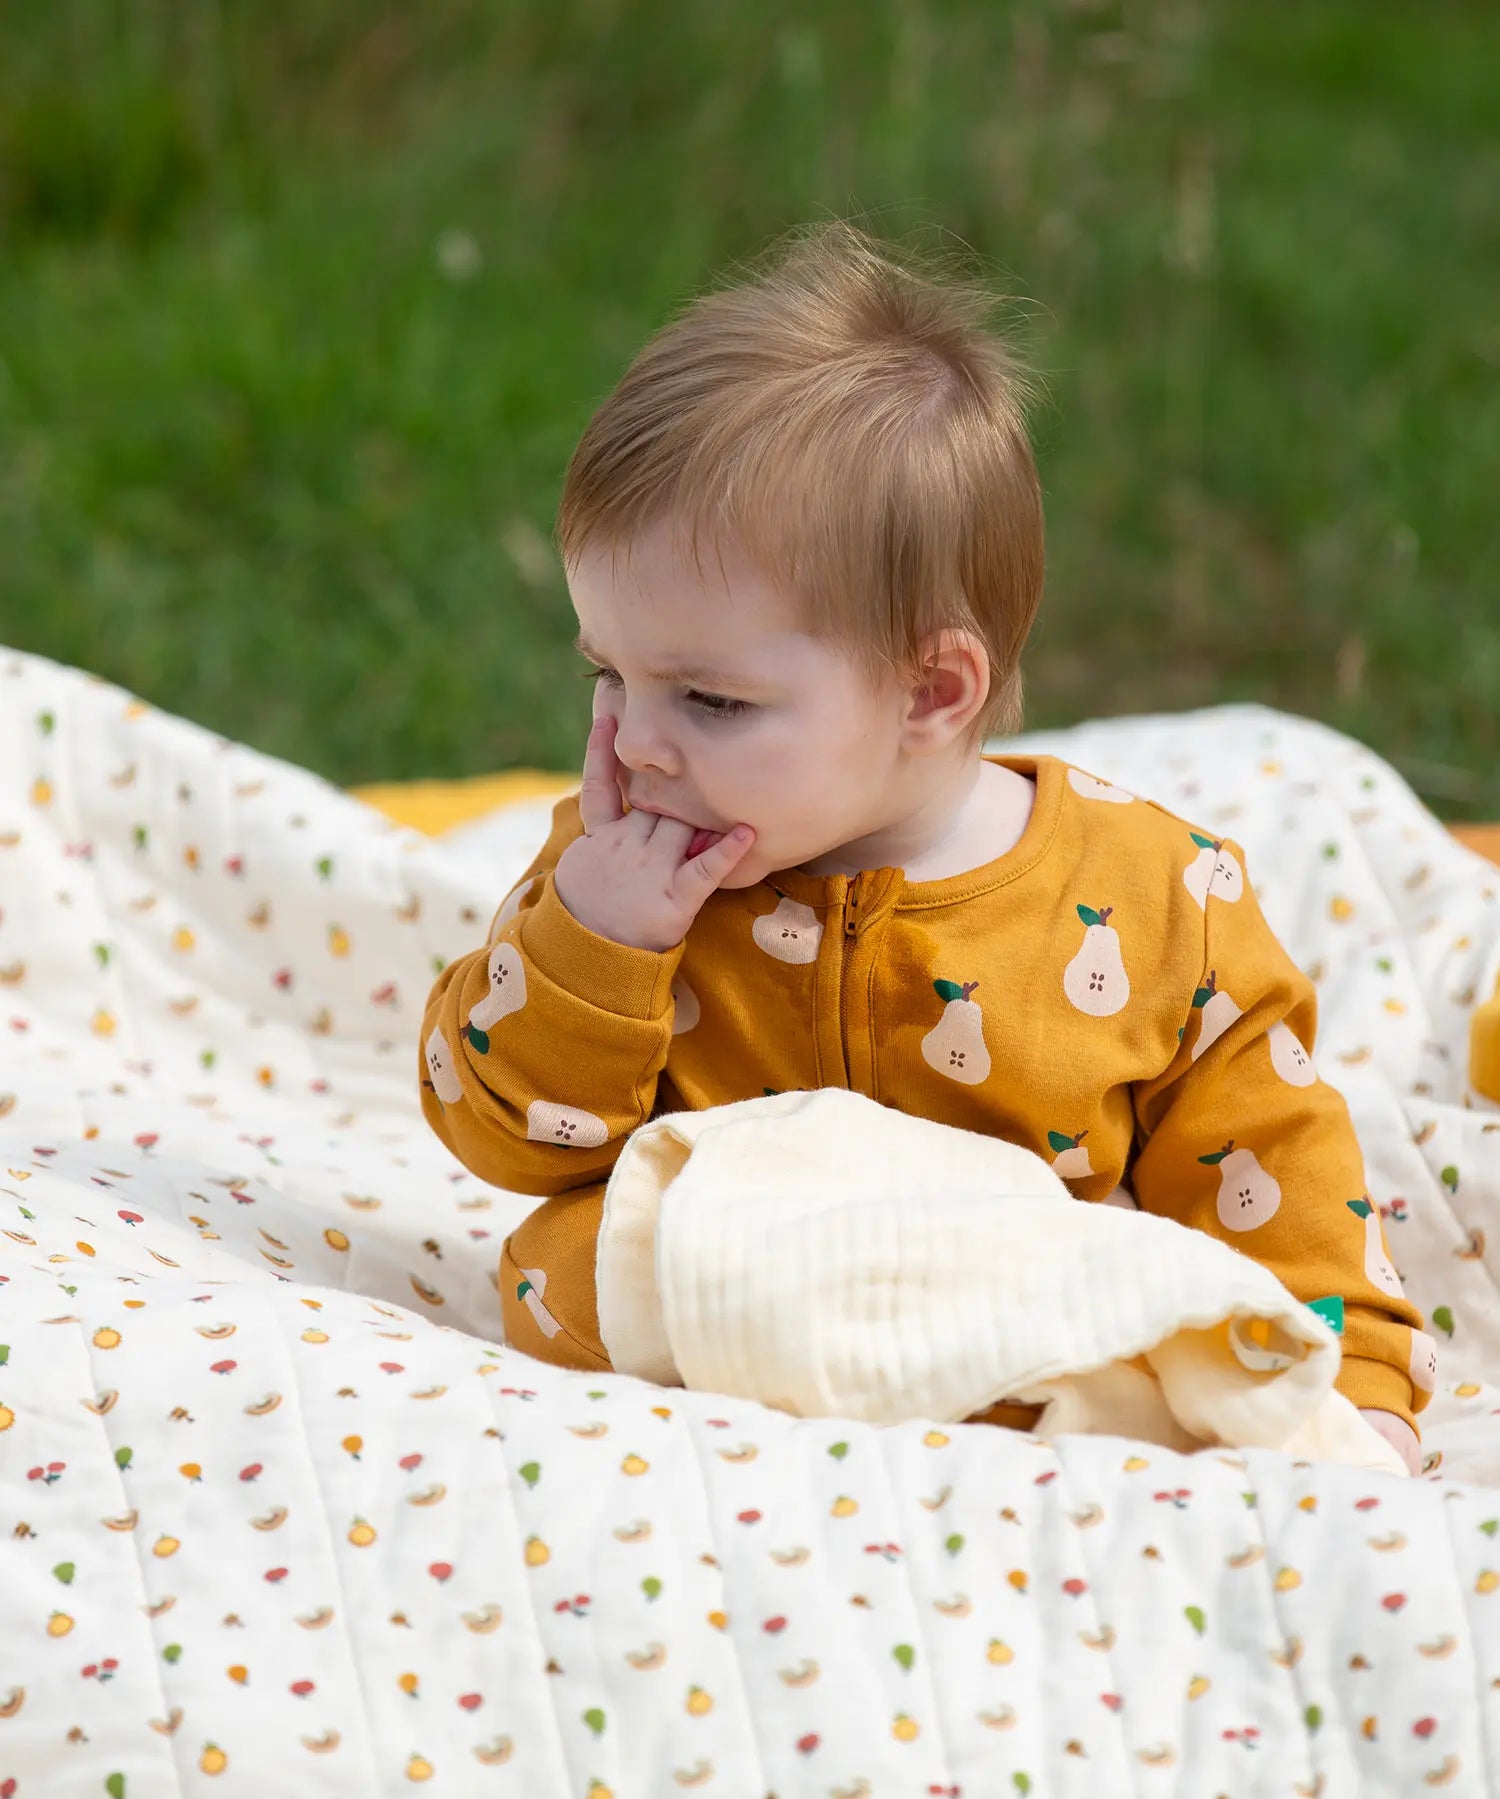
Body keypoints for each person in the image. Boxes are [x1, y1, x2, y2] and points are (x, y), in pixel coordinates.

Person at [419, 221, 1429, 1472]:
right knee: (560, 1268)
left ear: (932, 693)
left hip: (1025, 1313)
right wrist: (594, 948)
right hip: (734, 1282)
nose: (634, 741)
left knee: (1171, 1317)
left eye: (711, 701)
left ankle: (1006, 1410)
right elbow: (503, 1137)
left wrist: (1363, 1380)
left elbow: (1272, 1154)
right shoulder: (625, 868)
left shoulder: (1152, 894)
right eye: (606, 673)